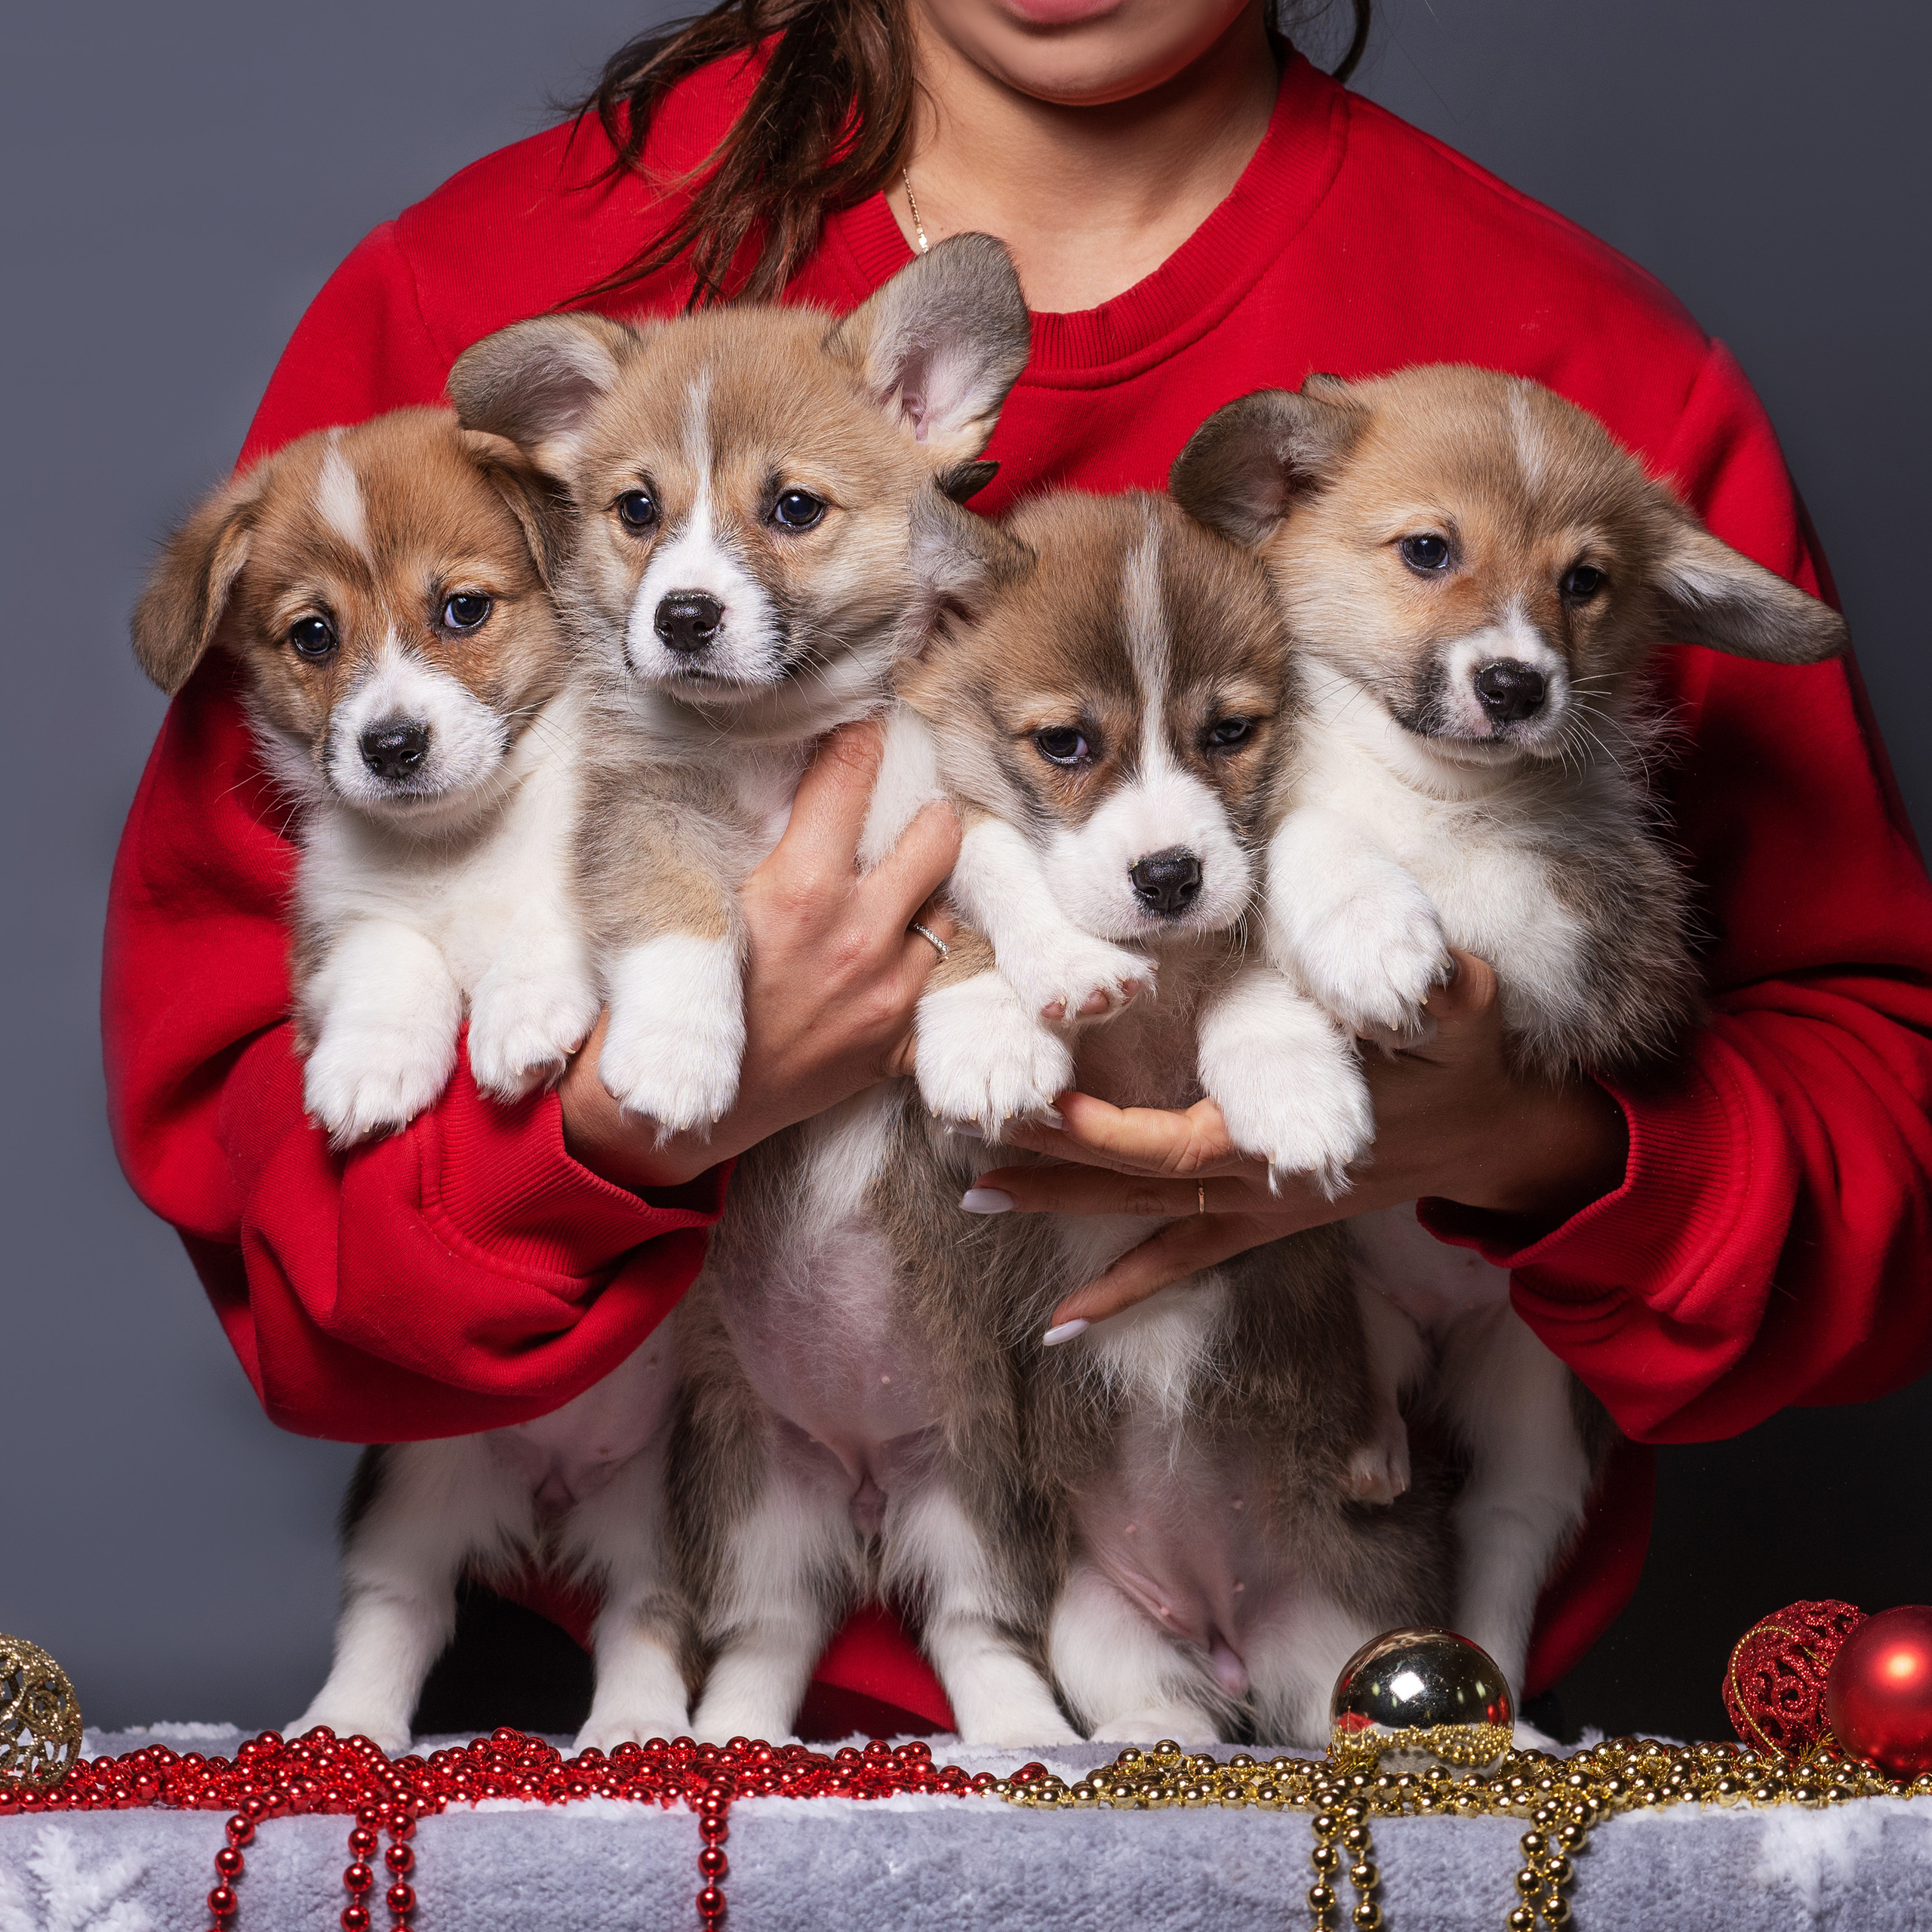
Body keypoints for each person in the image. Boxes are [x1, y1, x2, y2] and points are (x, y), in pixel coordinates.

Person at [105, 0, 1932, 1736]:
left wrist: (1518, 1145)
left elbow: (1877, 1152)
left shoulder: (1569, 377)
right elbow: (266, 1178)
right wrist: (639, 1113)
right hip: (653, 1719)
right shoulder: (486, 300)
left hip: (1367, 1691)